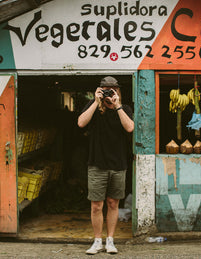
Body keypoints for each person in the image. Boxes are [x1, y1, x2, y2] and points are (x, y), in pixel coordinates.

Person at [77, 76, 134, 255]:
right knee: (96, 205)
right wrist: (96, 101)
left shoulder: (124, 109)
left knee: (112, 203)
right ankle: (97, 241)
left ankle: (110, 240)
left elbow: (130, 127)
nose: (110, 92)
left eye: (113, 89)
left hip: (118, 164)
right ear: (100, 90)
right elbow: (80, 123)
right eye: (106, 90)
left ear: (118, 91)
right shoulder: (93, 108)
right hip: (97, 163)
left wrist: (116, 105)